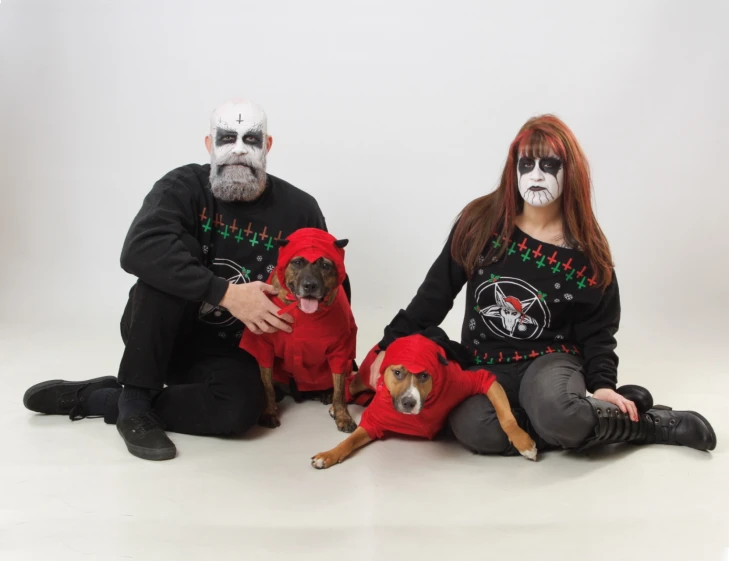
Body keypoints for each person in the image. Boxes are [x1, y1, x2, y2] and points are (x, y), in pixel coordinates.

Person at [361, 114, 716, 455]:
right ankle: (576, 423)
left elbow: (599, 329)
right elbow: (433, 297)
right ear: (513, 170)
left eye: (549, 165)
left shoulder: (586, 250)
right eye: (526, 164)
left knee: (556, 409)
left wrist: (604, 385)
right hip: (485, 364)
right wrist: (385, 347)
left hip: (551, 361)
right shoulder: (479, 224)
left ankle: (649, 425)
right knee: (473, 429)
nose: (536, 175)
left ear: (569, 172)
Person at [23, 98, 348, 461]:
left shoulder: (300, 209)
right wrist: (226, 294)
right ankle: (134, 403)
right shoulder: (183, 186)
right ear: (210, 145)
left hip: (234, 349)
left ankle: (106, 398)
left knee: (240, 411)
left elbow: (331, 281)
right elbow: (138, 250)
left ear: (267, 146)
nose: (238, 150)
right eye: (226, 138)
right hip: (159, 331)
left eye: (251, 140)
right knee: (172, 255)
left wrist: (327, 368)